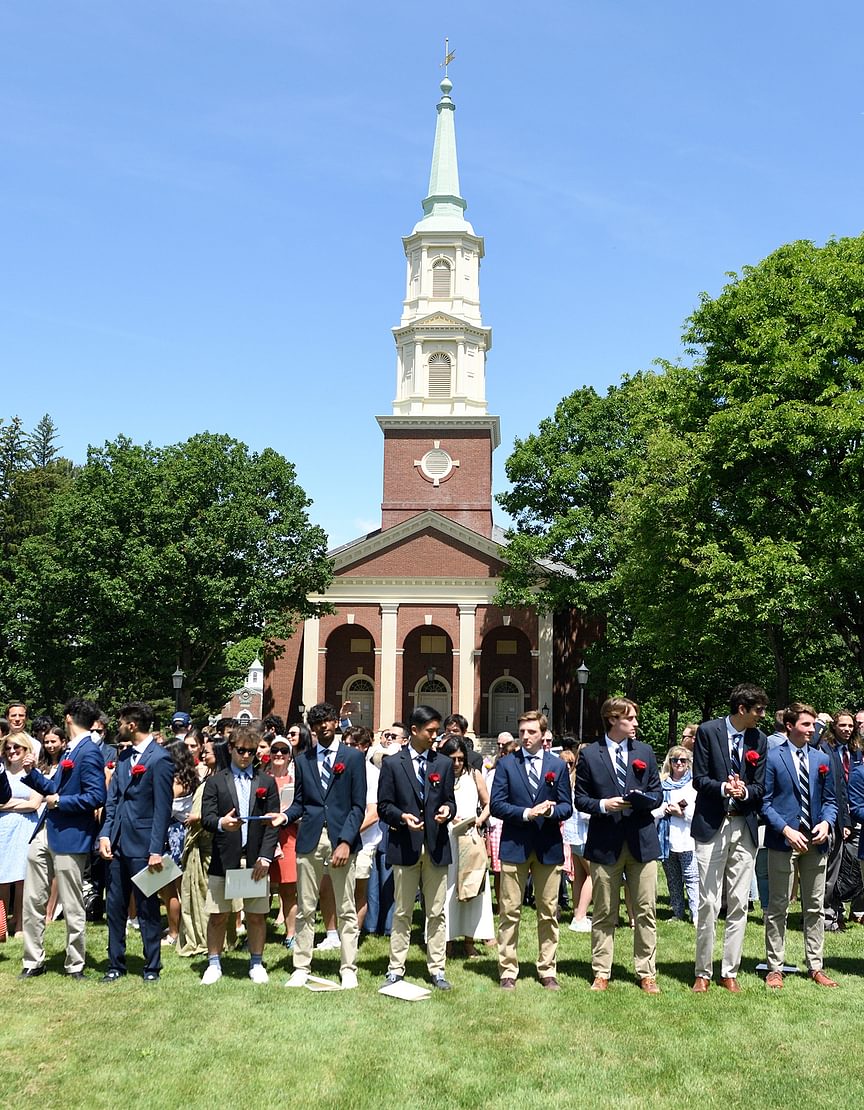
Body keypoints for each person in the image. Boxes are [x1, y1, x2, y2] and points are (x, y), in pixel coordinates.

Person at [574, 697, 662, 993]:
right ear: (612, 719)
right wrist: (602, 804)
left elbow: (657, 794)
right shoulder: (590, 754)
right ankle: (601, 971)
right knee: (604, 911)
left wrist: (644, 799)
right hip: (605, 842)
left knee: (646, 910)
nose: (636, 723)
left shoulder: (645, 752)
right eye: (631, 718)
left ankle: (646, 972)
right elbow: (580, 798)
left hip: (642, 841)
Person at [279, 702, 366, 990]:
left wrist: (345, 842)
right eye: (317, 724)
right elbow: (301, 803)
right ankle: (301, 966)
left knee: (346, 907)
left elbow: (358, 806)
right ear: (312, 729)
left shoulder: (352, 758)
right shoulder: (303, 760)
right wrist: (284, 815)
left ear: (335, 723)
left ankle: (348, 966)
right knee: (305, 907)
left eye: (327, 721)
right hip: (310, 839)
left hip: (342, 839)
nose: (323, 727)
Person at [19, 699, 106, 979]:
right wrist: (31, 773)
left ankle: (75, 964)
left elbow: (96, 796)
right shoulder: (71, 749)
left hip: (71, 836)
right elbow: (53, 789)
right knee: (33, 899)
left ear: (68, 718)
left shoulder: (89, 751)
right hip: (45, 831)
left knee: (71, 903)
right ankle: (33, 961)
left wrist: (61, 801)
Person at [691, 682, 768, 993]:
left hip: (744, 826)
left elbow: (760, 786)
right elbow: (699, 779)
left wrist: (745, 790)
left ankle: (729, 971)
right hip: (713, 824)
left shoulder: (758, 739)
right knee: (708, 901)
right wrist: (725, 788)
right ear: (742, 709)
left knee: (739, 902)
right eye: (758, 710)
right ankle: (702, 972)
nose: (761, 715)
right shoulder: (709, 732)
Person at [490, 709, 572, 992]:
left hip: (548, 847)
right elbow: (497, 804)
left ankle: (547, 969)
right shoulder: (506, 765)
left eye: (531, 732)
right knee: (509, 911)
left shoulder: (557, 766)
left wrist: (549, 812)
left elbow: (567, 806)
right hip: (515, 845)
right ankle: (508, 970)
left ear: (543, 734)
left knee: (548, 911)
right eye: (522, 732)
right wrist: (526, 813)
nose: (525, 737)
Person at [377, 705, 457, 990]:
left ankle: (437, 969)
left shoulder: (444, 764)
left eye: (437, 731)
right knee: (402, 911)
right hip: (404, 845)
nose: (435, 736)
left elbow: (450, 799)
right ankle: (396, 967)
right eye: (431, 731)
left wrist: (447, 810)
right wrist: (402, 817)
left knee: (436, 912)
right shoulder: (392, 764)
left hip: (436, 846)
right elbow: (384, 806)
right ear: (414, 730)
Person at [762, 703, 838, 988]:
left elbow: (831, 800)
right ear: (790, 726)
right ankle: (775, 967)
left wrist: (827, 823)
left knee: (815, 907)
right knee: (778, 906)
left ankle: (815, 965)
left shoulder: (822, 758)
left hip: (816, 841)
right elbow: (765, 802)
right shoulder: (772, 757)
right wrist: (785, 830)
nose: (812, 729)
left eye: (814, 724)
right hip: (783, 841)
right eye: (807, 724)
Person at [98, 701, 175, 982]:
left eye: (120, 723)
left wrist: (156, 850)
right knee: (115, 907)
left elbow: (162, 809)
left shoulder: (159, 759)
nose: (118, 728)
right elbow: (113, 800)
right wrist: (105, 834)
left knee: (147, 908)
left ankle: (152, 966)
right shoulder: (123, 757)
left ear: (132, 725)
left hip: (144, 847)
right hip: (117, 844)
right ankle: (115, 964)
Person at [199, 727, 280, 984]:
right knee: (218, 915)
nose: (246, 756)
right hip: (224, 858)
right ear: (231, 749)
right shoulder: (215, 781)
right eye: (241, 750)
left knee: (256, 915)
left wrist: (266, 857)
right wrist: (222, 822)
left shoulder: (266, 782)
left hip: (255, 858)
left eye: (251, 752)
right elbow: (207, 818)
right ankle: (214, 963)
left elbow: (272, 823)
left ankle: (256, 962)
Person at [438, 735, 495, 956]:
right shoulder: (438, 775)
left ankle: (470, 941)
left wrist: (480, 820)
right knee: (447, 889)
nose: (456, 763)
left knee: (472, 887)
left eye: (460, 759)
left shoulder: (474, 774)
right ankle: (446, 941)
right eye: (452, 759)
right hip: (446, 837)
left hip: (470, 836)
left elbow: (488, 802)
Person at [0, 734, 42, 937]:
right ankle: (2, 924)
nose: (12, 751)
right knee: (3, 878)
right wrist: (20, 804)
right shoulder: (2, 773)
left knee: (22, 878)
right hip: (3, 829)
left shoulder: (33, 773)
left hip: (26, 828)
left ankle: (20, 925)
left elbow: (35, 803)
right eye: (8, 748)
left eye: (17, 747)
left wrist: (8, 803)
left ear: (26, 749)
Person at [159, 740, 200, 946]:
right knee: (173, 887)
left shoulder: (176, 781)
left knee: (170, 888)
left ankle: (174, 933)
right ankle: (178, 926)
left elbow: (164, 805)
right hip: (180, 834)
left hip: (173, 835)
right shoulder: (190, 777)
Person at [654, 745, 699, 923]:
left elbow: (698, 814)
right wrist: (665, 809)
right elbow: (653, 811)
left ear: (688, 763)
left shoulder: (694, 785)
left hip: (687, 839)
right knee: (672, 879)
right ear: (669, 762)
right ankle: (678, 912)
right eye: (675, 760)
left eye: (683, 760)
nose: (678, 763)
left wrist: (682, 813)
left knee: (692, 878)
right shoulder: (662, 784)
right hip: (666, 839)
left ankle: (696, 915)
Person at [266, 733, 302, 949]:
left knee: (288, 889)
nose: (279, 754)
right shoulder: (261, 777)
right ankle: (256, 933)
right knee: (259, 890)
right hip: (263, 838)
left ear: (290, 756)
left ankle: (291, 933)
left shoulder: (296, 781)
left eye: (284, 751)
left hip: (288, 836)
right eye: (275, 750)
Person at [560, 743, 593, 932]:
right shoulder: (583, 778)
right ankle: (580, 917)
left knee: (579, 875)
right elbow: (585, 812)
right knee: (594, 875)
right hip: (583, 833)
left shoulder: (572, 776)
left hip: (572, 835)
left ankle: (576, 913)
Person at [485, 733, 517, 910]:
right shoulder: (495, 773)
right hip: (498, 823)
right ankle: (501, 902)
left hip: (515, 821)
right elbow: (491, 801)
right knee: (499, 869)